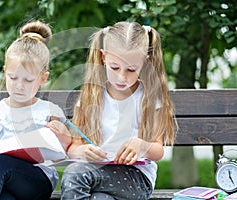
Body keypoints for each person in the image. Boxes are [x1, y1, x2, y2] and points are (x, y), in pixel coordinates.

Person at [0, 20, 71, 200]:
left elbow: (60, 155)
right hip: (4, 182)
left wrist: (63, 137)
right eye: (13, 77)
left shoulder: (49, 111)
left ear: (43, 78)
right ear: (4, 72)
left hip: (37, 182)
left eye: (28, 80)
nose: (19, 86)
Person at [60, 21, 176, 200]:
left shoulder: (149, 98)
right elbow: (73, 147)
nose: (122, 77)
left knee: (74, 174)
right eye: (115, 68)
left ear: (145, 62)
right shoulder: (90, 96)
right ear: (103, 58)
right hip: (95, 173)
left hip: (137, 179)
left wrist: (141, 145)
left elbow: (158, 151)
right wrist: (82, 152)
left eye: (131, 69)